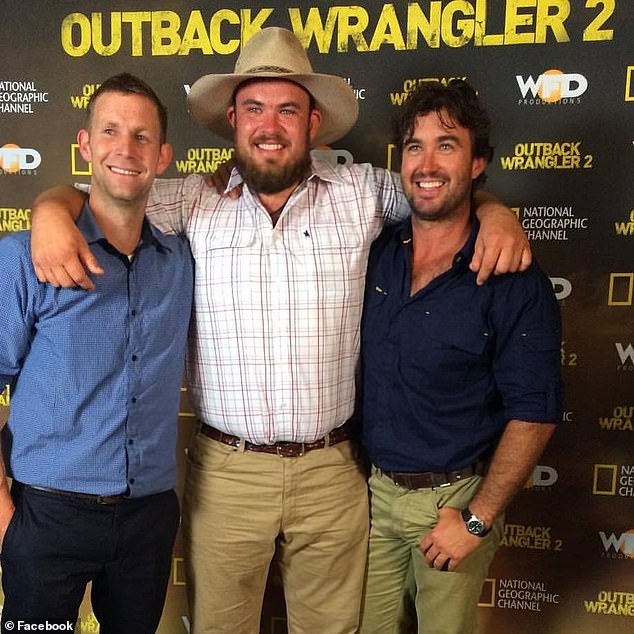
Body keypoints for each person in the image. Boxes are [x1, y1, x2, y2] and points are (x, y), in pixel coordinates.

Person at [29, 29, 531, 634]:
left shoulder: (363, 193)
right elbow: (100, 196)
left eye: (287, 110)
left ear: (313, 123)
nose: (270, 125)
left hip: (333, 471)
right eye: (255, 109)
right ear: (232, 122)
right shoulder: (190, 200)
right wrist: (50, 211)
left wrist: (496, 212)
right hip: (227, 472)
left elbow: (439, 189)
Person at [358, 79, 562, 634]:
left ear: (477, 164)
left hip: (451, 503)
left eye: (446, 145)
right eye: (415, 146)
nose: (426, 163)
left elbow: (535, 412)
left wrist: (477, 520)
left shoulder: (511, 277)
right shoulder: (378, 251)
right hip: (371, 497)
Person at [0, 74, 193, 633]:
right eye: (110, 132)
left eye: (141, 136)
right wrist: (6, 520)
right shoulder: (23, 258)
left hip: (147, 517)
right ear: (85, 147)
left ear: (162, 156)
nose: (125, 149)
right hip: (45, 516)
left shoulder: (181, 260)